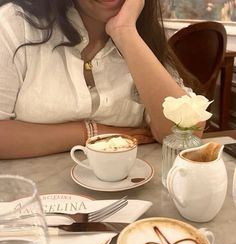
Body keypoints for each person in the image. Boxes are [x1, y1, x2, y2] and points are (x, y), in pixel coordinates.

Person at [0, 0, 195, 159]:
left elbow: (186, 133)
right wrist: (93, 133)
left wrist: (124, 31)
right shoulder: (15, 24)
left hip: (131, 195)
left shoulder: (145, 35)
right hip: (30, 196)